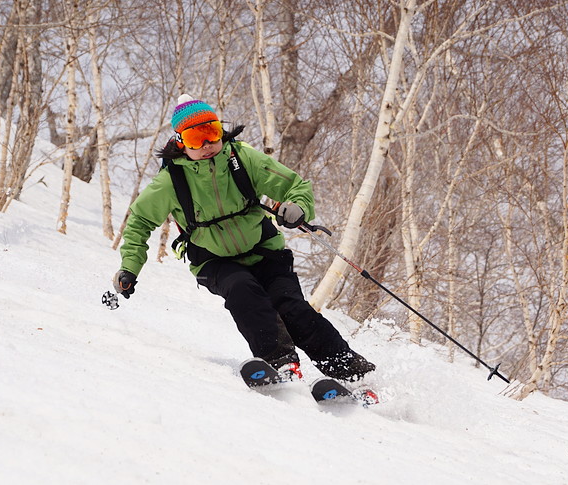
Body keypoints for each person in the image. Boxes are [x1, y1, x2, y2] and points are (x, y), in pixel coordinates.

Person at [113, 95, 376, 382]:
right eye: (194, 138)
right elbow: (139, 222)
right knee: (243, 290)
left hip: (265, 251)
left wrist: (296, 207)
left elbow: (295, 186)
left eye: (211, 133)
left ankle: (352, 373)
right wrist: (130, 266)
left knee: (292, 308)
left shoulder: (243, 159)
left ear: (220, 130)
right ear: (180, 142)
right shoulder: (170, 182)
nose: (206, 145)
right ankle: (281, 363)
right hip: (214, 261)